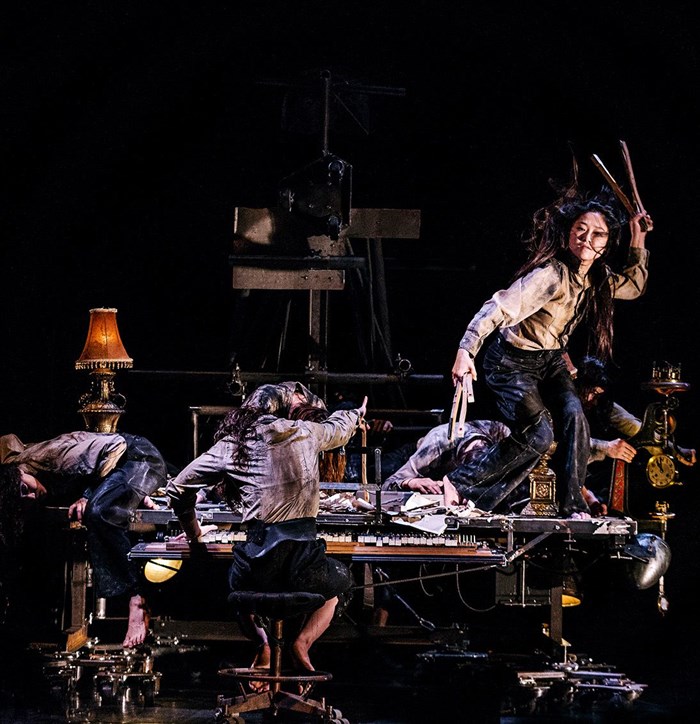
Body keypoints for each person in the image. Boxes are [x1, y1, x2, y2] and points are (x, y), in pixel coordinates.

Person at [450, 183, 653, 518]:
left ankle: (572, 503)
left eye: (597, 234)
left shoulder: (596, 278)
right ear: (569, 233)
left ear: (606, 243)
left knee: (575, 417)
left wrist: (638, 237)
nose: (587, 239)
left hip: (549, 361)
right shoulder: (550, 275)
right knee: (539, 434)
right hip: (511, 362)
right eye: (580, 230)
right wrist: (466, 350)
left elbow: (633, 286)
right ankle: (460, 485)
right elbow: (500, 306)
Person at [165, 381, 367, 674]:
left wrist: (194, 535)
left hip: (256, 571)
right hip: (304, 569)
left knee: (238, 586)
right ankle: (302, 643)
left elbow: (176, 489)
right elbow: (340, 427)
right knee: (341, 584)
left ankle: (263, 644)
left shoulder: (232, 444)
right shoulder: (306, 432)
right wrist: (356, 413)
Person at [0, 430, 168, 647]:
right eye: (23, 499)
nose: (32, 496)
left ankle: (137, 600)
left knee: (98, 511)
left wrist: (88, 495)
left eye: (25, 488)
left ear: (19, 472)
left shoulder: (56, 457)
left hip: (139, 458)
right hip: (120, 469)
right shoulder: (18, 476)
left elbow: (116, 446)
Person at [575, 355, 696, 511]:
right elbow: (563, 447)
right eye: (591, 392)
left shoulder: (600, 402)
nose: (593, 399)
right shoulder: (567, 403)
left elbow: (635, 427)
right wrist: (606, 447)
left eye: (598, 394)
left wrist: (676, 451)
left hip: (588, 482)